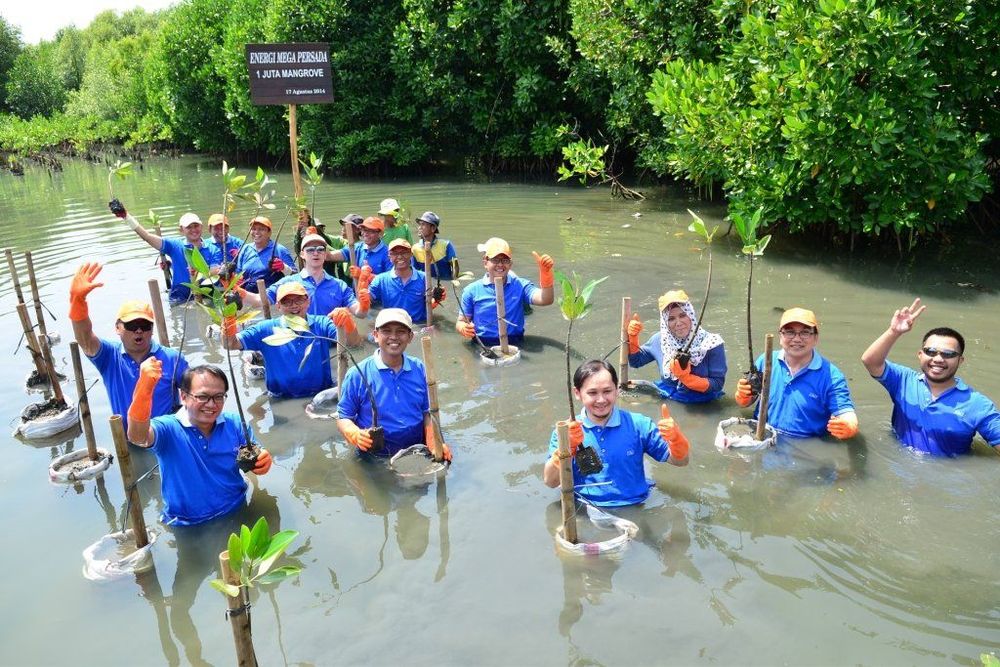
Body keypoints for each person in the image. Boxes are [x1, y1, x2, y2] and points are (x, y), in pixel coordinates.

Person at [126, 361, 273, 525]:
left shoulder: (235, 423)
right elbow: (137, 437)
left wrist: (264, 459)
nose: (211, 405)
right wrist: (144, 390)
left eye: (219, 397)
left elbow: (258, 451)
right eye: (202, 397)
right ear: (183, 396)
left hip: (236, 507)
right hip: (187, 522)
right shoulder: (168, 428)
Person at [861, 298, 1000, 456]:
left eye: (948, 354)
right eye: (931, 352)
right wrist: (894, 332)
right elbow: (870, 362)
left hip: (948, 475)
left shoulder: (976, 404)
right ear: (920, 355)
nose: (938, 359)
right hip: (898, 469)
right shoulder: (904, 381)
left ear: (960, 360)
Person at [543, 360, 689, 507]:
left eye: (607, 391)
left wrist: (676, 440)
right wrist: (567, 447)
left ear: (617, 390)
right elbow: (550, 481)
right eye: (592, 393)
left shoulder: (639, 424)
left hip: (636, 505)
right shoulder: (564, 432)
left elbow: (681, 462)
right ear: (577, 393)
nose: (601, 400)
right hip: (585, 508)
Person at [68, 262, 188, 431]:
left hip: (165, 439)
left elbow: (194, 395)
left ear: (152, 329)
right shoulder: (109, 356)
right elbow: (85, 339)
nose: (139, 330)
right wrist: (77, 302)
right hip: (127, 441)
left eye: (145, 325)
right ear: (118, 328)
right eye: (132, 325)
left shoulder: (173, 358)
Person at [337, 308, 453, 460]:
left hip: (417, 452)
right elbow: (344, 417)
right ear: (375, 335)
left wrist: (434, 443)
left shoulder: (419, 368)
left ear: (410, 336)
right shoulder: (357, 374)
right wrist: (354, 434)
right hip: (375, 457)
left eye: (400, 331)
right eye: (386, 331)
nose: (393, 337)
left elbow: (427, 412)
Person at [734, 307, 858, 439]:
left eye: (805, 333)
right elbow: (746, 402)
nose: (797, 339)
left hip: (806, 444)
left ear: (816, 337)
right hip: (762, 436)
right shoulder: (765, 360)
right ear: (780, 336)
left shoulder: (831, 376)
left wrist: (849, 427)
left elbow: (846, 414)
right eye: (789, 332)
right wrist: (742, 396)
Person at [226, 282, 362, 398]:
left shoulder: (322, 323)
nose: (294, 305)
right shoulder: (264, 329)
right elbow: (230, 344)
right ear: (278, 306)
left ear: (308, 301)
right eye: (287, 301)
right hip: (280, 398)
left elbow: (354, 343)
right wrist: (228, 316)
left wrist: (348, 324)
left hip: (321, 396)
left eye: (299, 300)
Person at [242, 228, 369, 318]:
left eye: (320, 249)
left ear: (325, 254)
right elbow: (260, 300)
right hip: (300, 343)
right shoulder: (288, 283)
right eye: (310, 250)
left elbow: (360, 314)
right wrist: (237, 290)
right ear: (302, 254)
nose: (315, 253)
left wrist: (364, 304)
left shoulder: (339, 286)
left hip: (332, 344)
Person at [627, 289, 727, 403]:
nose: (678, 323)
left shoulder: (712, 343)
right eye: (671, 318)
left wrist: (686, 378)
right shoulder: (660, 340)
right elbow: (635, 361)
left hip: (704, 403)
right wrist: (633, 336)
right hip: (668, 398)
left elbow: (718, 384)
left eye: (683, 315)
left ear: (691, 315)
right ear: (665, 322)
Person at [456, 237, 555, 347]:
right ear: (485, 262)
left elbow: (546, 300)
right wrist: (463, 328)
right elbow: (461, 321)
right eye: (495, 260)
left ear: (510, 264)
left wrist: (546, 275)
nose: (500, 264)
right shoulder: (471, 291)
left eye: (505, 260)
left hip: (515, 343)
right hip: (482, 345)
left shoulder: (520, 285)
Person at [109, 200, 210, 304]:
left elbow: (217, 271)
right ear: (181, 229)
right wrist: (126, 216)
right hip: (179, 299)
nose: (193, 229)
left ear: (201, 226)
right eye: (189, 227)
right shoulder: (175, 246)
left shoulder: (211, 247)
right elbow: (147, 237)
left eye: (196, 226)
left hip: (205, 298)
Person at [368, 239, 443, 324]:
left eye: (404, 252)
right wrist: (361, 282)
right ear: (389, 256)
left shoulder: (424, 278)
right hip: (393, 327)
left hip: (418, 325)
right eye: (395, 253)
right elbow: (364, 304)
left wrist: (437, 298)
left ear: (411, 254)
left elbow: (430, 302)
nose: (400, 257)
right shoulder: (380, 280)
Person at [233, 216, 296, 293]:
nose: (256, 232)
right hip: (248, 296)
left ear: (269, 233)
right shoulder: (245, 249)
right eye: (253, 229)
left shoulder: (279, 250)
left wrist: (283, 267)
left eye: (261, 229)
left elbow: (295, 276)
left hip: (272, 296)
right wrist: (237, 279)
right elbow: (238, 272)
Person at [411, 211, 458, 281]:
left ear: (433, 228)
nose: (419, 228)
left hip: (445, 283)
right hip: (426, 284)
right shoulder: (415, 248)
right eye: (419, 225)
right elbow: (414, 272)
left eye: (423, 225)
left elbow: (455, 267)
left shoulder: (445, 245)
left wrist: (454, 281)